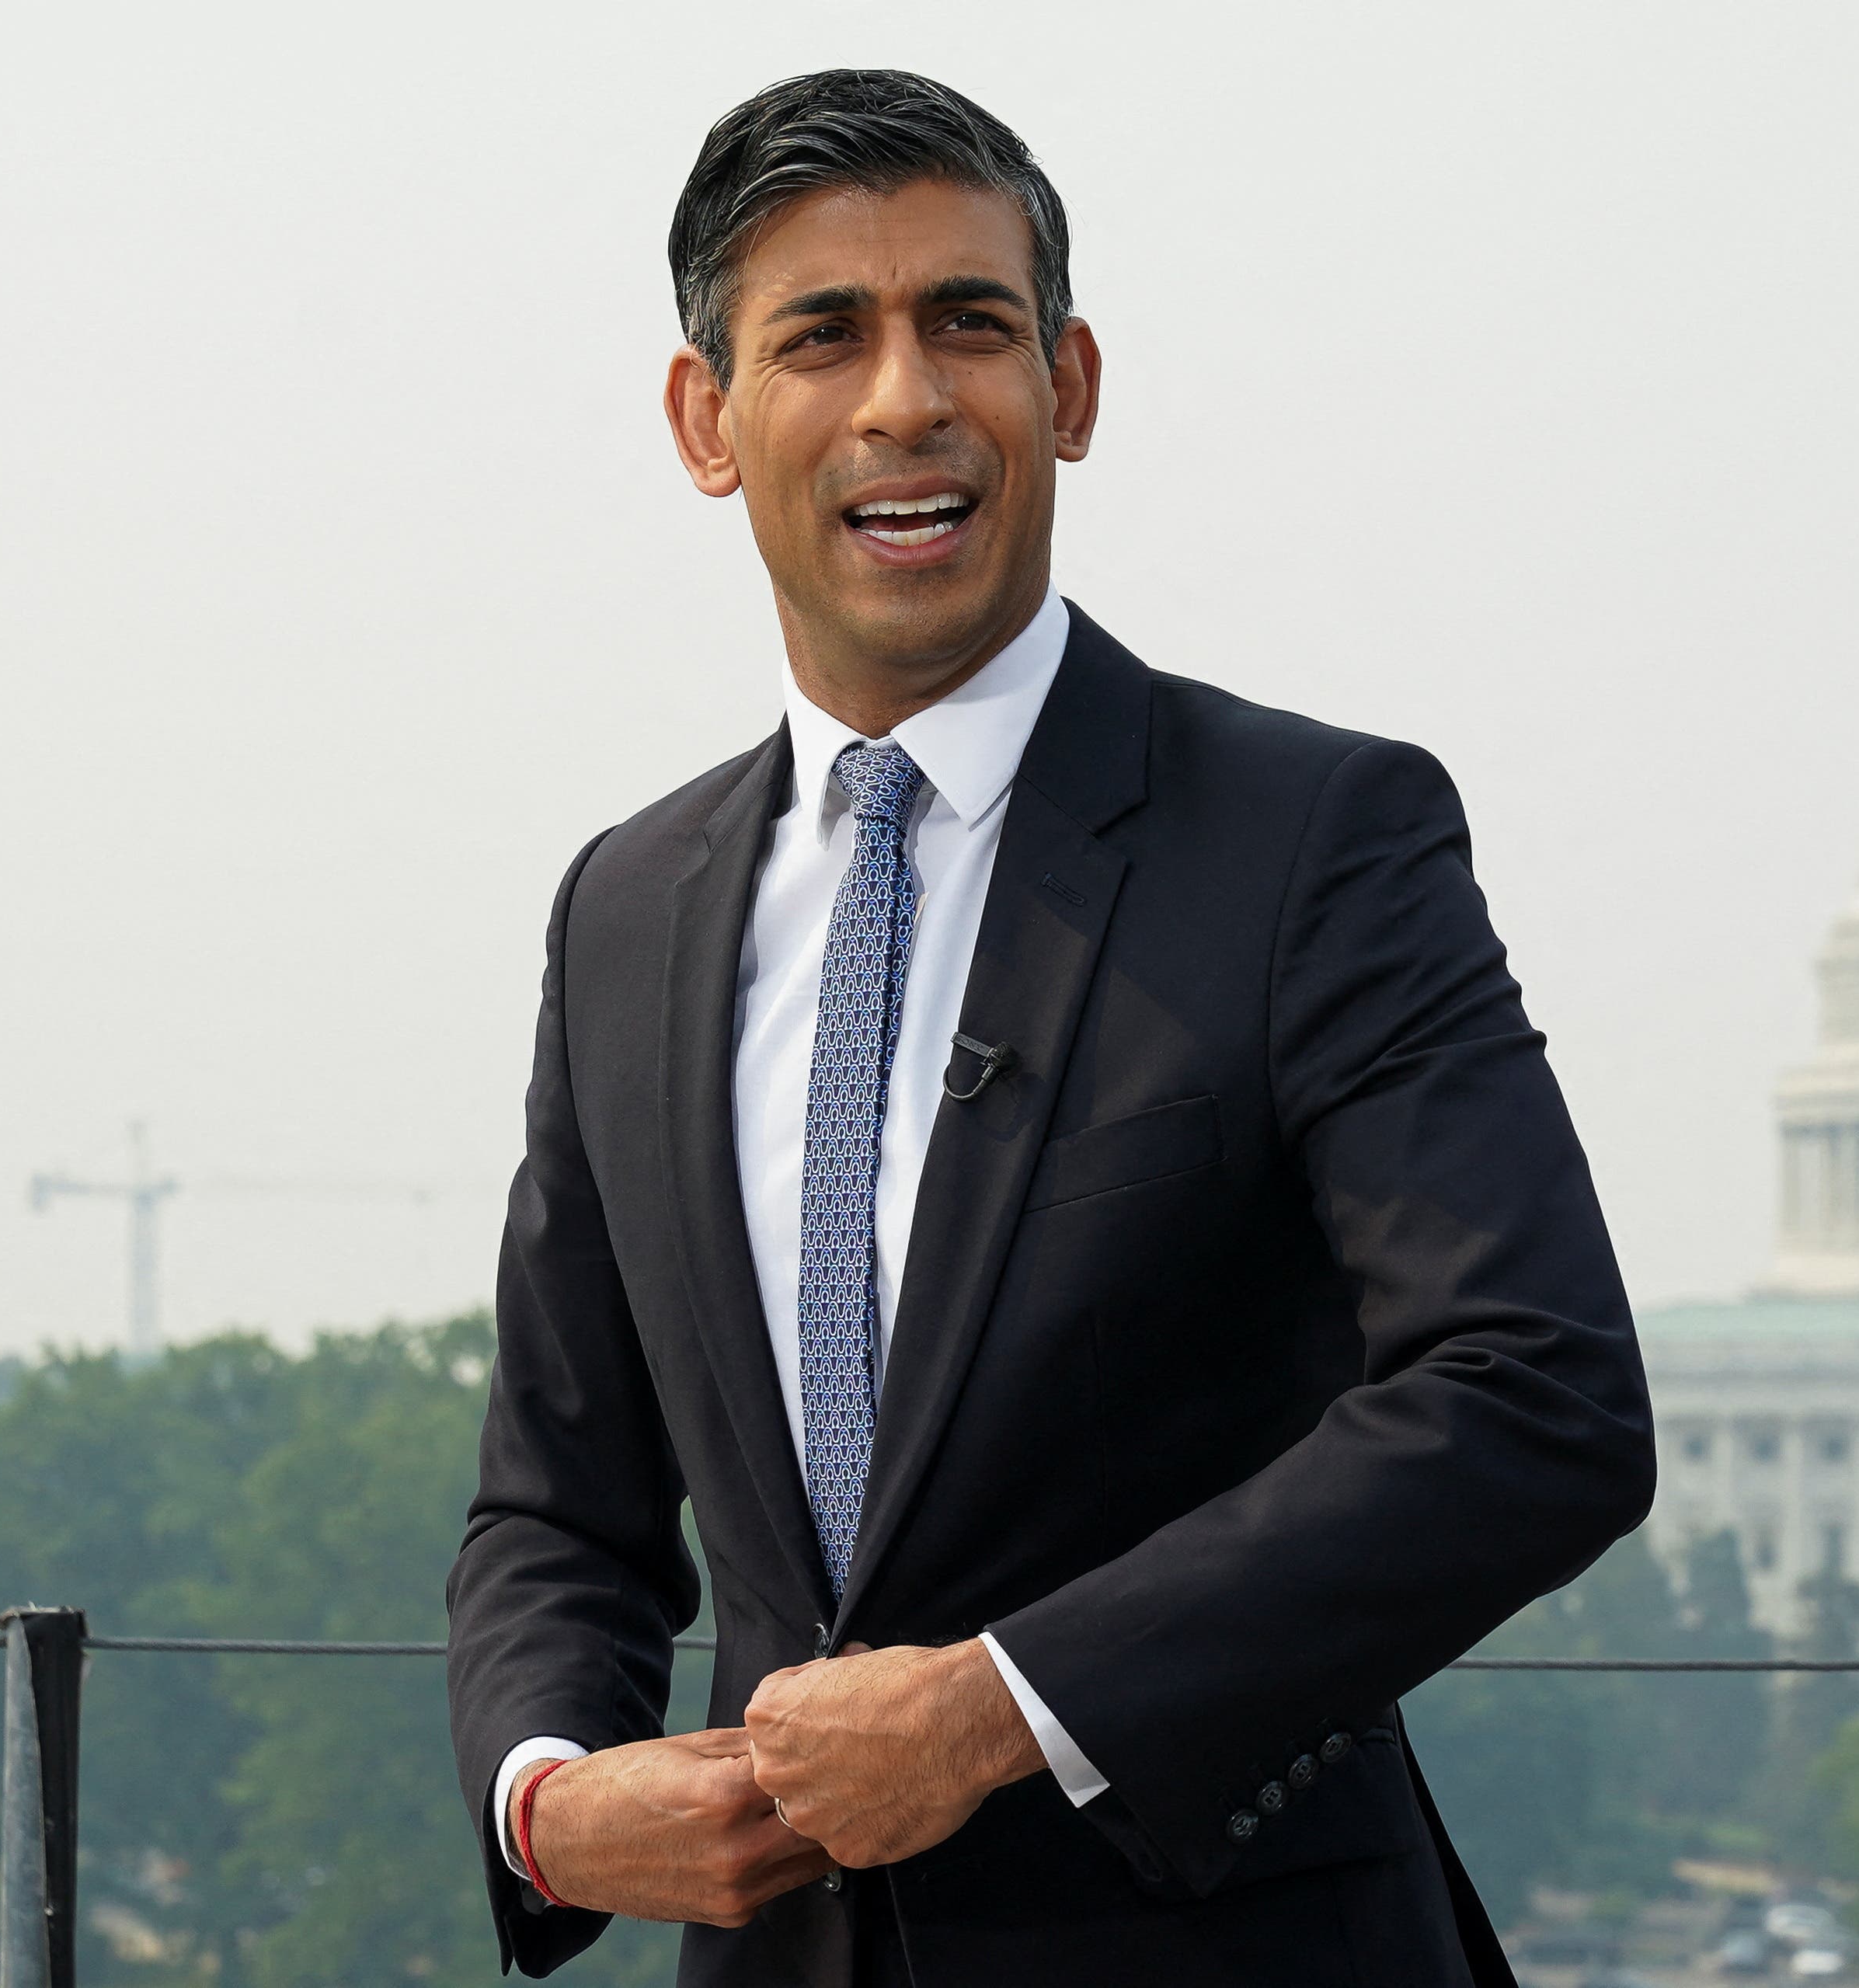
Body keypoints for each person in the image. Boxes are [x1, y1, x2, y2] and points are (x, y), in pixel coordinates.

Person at [444, 68, 1654, 1988]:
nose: (904, 399)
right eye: (820, 337)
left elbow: (1535, 1396)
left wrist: (1002, 1704)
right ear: (706, 417)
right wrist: (544, 1787)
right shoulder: (624, 911)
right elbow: (556, 1497)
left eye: (968, 324)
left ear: (1068, 387)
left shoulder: (1309, 839)